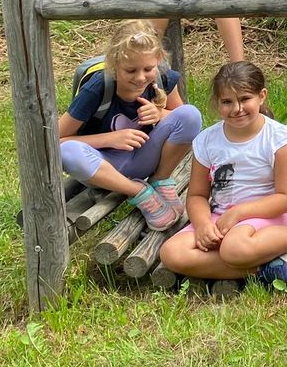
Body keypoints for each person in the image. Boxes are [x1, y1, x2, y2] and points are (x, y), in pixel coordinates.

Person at [158, 62, 287, 288]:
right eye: (227, 102)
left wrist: (239, 213)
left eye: (245, 99)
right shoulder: (207, 141)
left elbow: (286, 198)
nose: (237, 108)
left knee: (234, 248)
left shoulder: (278, 140)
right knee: (171, 253)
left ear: (261, 96)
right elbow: (197, 195)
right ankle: (266, 269)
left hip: (266, 216)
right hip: (220, 217)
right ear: (217, 103)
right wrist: (203, 225)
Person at [57, 20, 201, 230]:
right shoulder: (98, 87)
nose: (140, 78)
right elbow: (55, 141)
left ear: (158, 60)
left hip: (144, 159)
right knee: (67, 151)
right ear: (114, 65)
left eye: (148, 69)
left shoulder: (162, 78)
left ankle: (159, 179)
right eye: (131, 70)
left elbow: (182, 118)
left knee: (191, 114)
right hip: (102, 168)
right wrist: (109, 139)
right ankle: (139, 192)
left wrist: (159, 113)